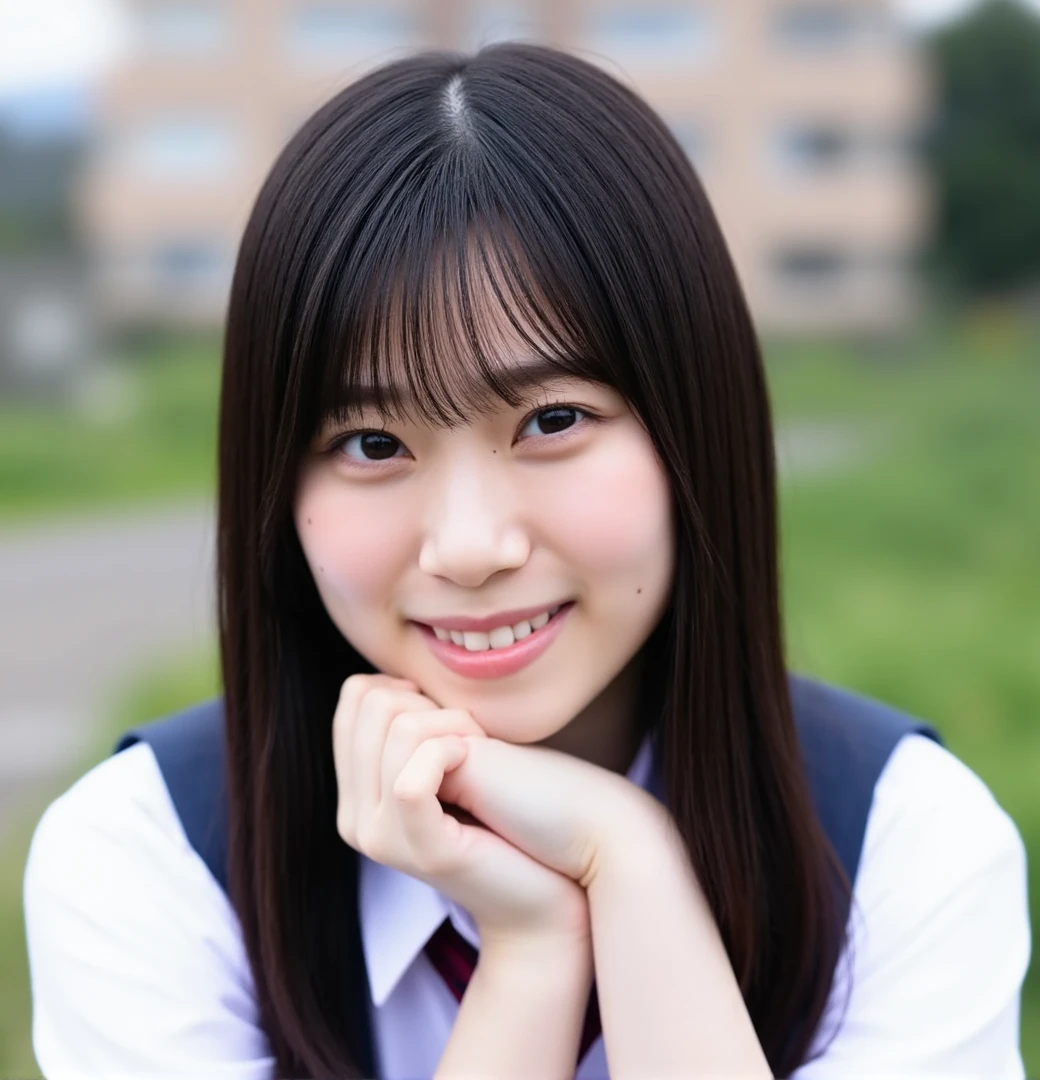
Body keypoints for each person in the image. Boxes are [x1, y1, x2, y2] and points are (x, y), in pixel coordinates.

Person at [23, 43, 1029, 1080]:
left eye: (552, 420)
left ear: (693, 424)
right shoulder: (148, 860)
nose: (468, 546)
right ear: (277, 486)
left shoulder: (901, 844)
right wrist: (533, 951)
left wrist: (630, 866)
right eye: (373, 444)